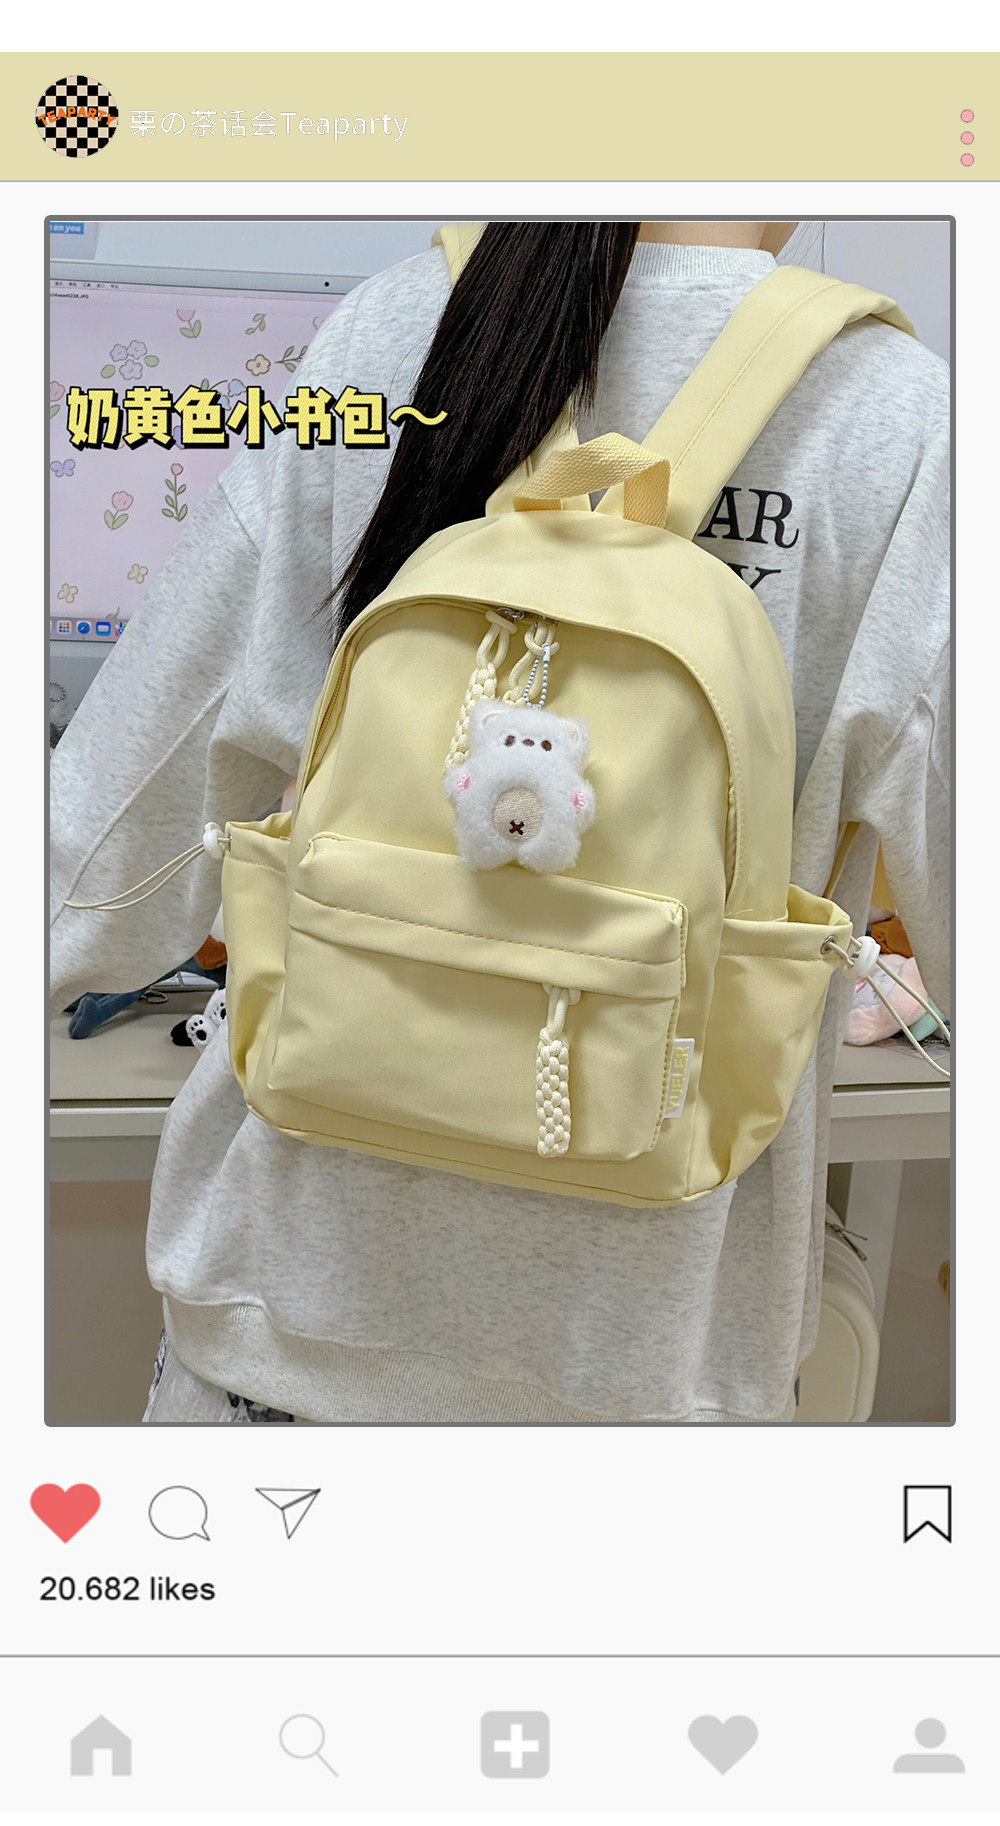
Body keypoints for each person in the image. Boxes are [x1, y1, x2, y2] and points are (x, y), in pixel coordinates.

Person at [49, 220, 950, 1424]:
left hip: (279, 1345)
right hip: (652, 1383)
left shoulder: (394, 327)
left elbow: (108, 837)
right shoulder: (894, 413)